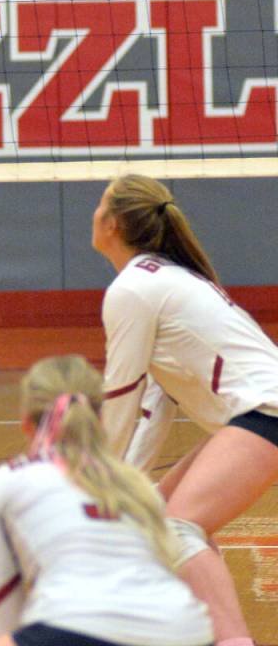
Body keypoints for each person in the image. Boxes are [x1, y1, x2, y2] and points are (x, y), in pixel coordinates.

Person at [94, 174, 278, 646]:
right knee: (157, 520)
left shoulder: (135, 289)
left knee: (179, 527)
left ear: (112, 223)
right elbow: (155, 405)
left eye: (98, 205)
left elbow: (120, 396)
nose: (92, 214)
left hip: (267, 413)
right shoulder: (159, 282)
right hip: (254, 417)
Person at [0, 354, 213, 646]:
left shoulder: (0, 485)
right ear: (100, 419)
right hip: (186, 629)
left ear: (26, 423)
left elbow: (4, 610)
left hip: (80, 627)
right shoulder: (135, 484)